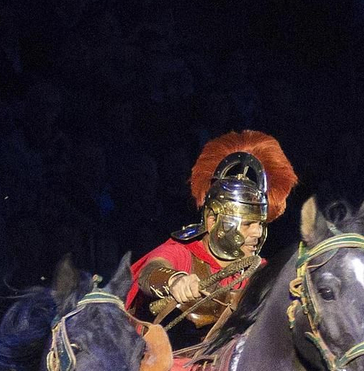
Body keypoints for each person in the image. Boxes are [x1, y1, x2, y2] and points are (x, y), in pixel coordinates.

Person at [126, 131, 297, 347]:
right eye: (247, 225)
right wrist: (175, 281)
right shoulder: (183, 252)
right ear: (212, 220)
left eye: (260, 225)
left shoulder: (259, 271)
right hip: (174, 364)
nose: (257, 233)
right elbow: (149, 272)